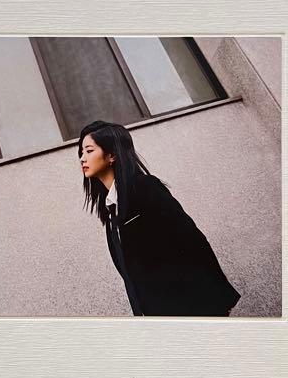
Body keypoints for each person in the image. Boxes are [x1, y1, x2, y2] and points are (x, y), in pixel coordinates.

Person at [77, 119, 241, 317]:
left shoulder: (145, 188)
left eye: (89, 151)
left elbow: (192, 239)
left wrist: (217, 299)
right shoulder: (111, 210)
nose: (82, 158)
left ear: (111, 155)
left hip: (192, 307)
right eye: (81, 152)